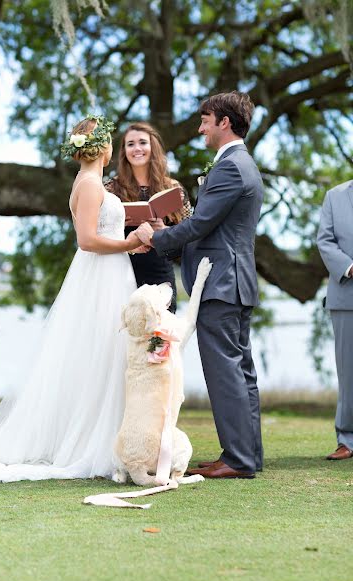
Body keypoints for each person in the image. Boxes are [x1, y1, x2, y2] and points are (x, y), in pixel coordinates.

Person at [0, 115, 145, 483]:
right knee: (102, 353)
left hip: (111, 271)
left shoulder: (90, 182)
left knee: (107, 355)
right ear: (101, 146)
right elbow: (87, 240)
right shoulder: (90, 185)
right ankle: (93, 444)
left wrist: (127, 249)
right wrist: (129, 243)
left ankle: (112, 439)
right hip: (100, 277)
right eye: (111, 143)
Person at [135, 91, 264, 479]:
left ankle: (238, 460)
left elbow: (200, 225)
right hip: (232, 281)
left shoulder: (230, 166)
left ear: (224, 122)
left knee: (226, 373)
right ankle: (244, 455)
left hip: (221, 282)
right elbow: (210, 226)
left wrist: (155, 238)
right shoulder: (241, 163)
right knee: (241, 372)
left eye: (205, 119)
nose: (201, 127)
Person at [105, 122, 191, 312]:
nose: (137, 148)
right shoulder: (110, 188)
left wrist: (166, 232)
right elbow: (98, 233)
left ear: (153, 147)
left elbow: (190, 239)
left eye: (142, 142)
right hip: (121, 272)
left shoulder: (174, 188)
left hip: (160, 277)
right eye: (130, 144)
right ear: (124, 151)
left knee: (158, 339)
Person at [317, 181, 353, 461]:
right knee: (348, 374)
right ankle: (347, 439)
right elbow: (324, 240)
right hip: (346, 298)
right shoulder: (335, 196)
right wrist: (349, 267)